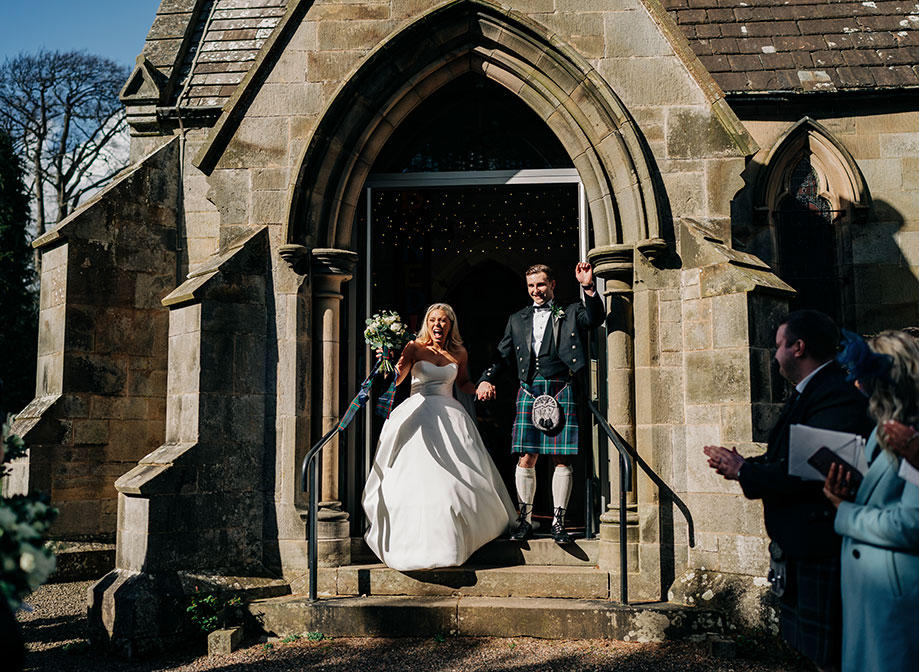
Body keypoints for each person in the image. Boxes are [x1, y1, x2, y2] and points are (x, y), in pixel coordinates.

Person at [703, 310, 872, 672]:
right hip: (801, 551)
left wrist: (744, 471)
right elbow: (787, 456)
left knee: (828, 660)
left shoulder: (834, 396)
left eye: (779, 345)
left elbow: (810, 473)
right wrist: (744, 462)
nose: (774, 354)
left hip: (820, 550)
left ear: (798, 347)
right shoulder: (807, 393)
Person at [362, 303, 515, 571]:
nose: (438, 325)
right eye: (433, 320)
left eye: (444, 321)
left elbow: (463, 383)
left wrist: (480, 385)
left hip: (450, 416)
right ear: (427, 323)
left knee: (459, 479)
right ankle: (410, 541)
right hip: (418, 413)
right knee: (416, 478)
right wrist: (387, 362)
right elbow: (398, 379)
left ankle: (456, 538)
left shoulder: (459, 352)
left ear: (451, 325)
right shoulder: (413, 348)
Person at [476, 262, 606, 543]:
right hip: (529, 389)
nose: (536, 291)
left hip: (561, 387)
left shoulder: (571, 311)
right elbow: (503, 353)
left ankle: (559, 522)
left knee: (561, 457)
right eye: (532, 286)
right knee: (526, 457)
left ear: (553, 285)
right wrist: (486, 379)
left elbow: (595, 319)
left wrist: (588, 287)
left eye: (541, 285)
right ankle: (526, 520)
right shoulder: (517, 318)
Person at [823, 330, 919, 672]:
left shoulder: (911, 434)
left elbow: (910, 524)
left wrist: (844, 510)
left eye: (860, 376)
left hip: (895, 593)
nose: (854, 385)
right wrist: (854, 494)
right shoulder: (884, 430)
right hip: (870, 591)